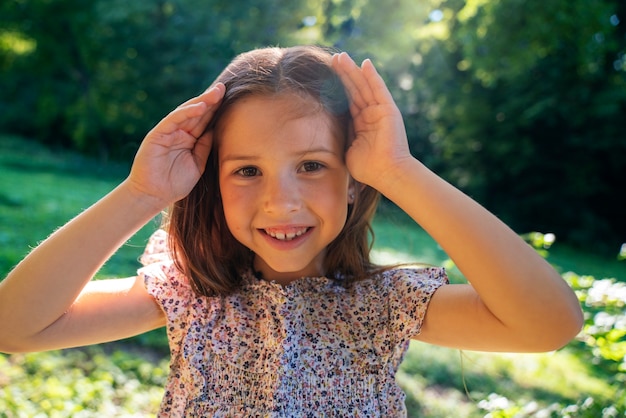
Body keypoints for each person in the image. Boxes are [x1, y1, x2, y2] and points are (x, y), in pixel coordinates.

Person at [0, 45, 583, 416]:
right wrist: (142, 195)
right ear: (213, 180)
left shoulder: (382, 306)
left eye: (312, 166)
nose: (281, 201)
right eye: (247, 171)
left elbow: (549, 324)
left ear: (354, 177)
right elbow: (15, 326)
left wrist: (400, 173)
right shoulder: (192, 294)